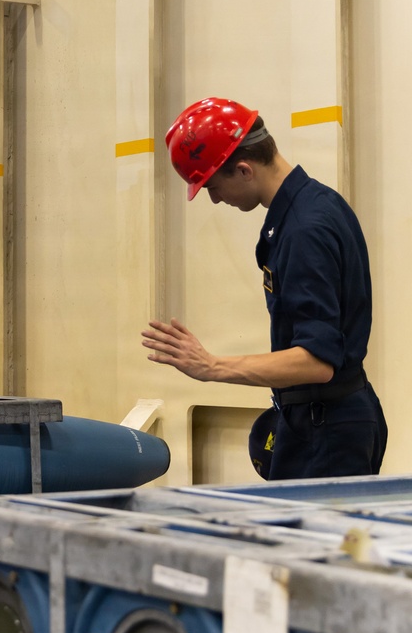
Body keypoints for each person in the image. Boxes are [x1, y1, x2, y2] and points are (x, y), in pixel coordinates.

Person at [142, 97, 387, 480]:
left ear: (243, 169)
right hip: (329, 420)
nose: (214, 198)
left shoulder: (303, 231)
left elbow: (316, 362)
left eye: (212, 186)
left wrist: (211, 366)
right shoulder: (319, 203)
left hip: (326, 431)